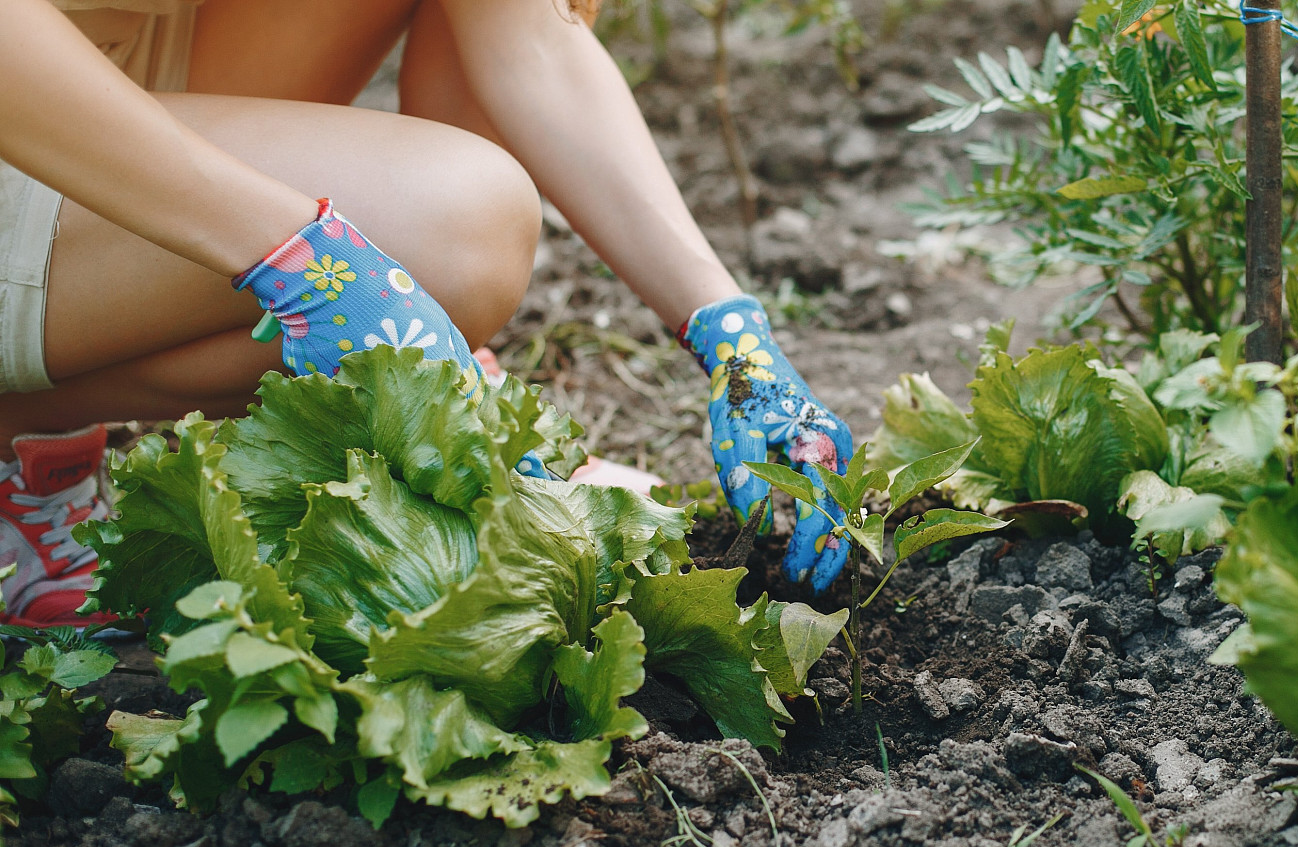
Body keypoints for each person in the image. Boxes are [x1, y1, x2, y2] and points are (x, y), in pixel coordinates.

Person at [0, 0, 852, 627]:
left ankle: (440, 388)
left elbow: (529, 35)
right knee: (459, 224)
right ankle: (21, 427)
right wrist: (294, 253)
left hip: (103, 66)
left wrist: (728, 330)